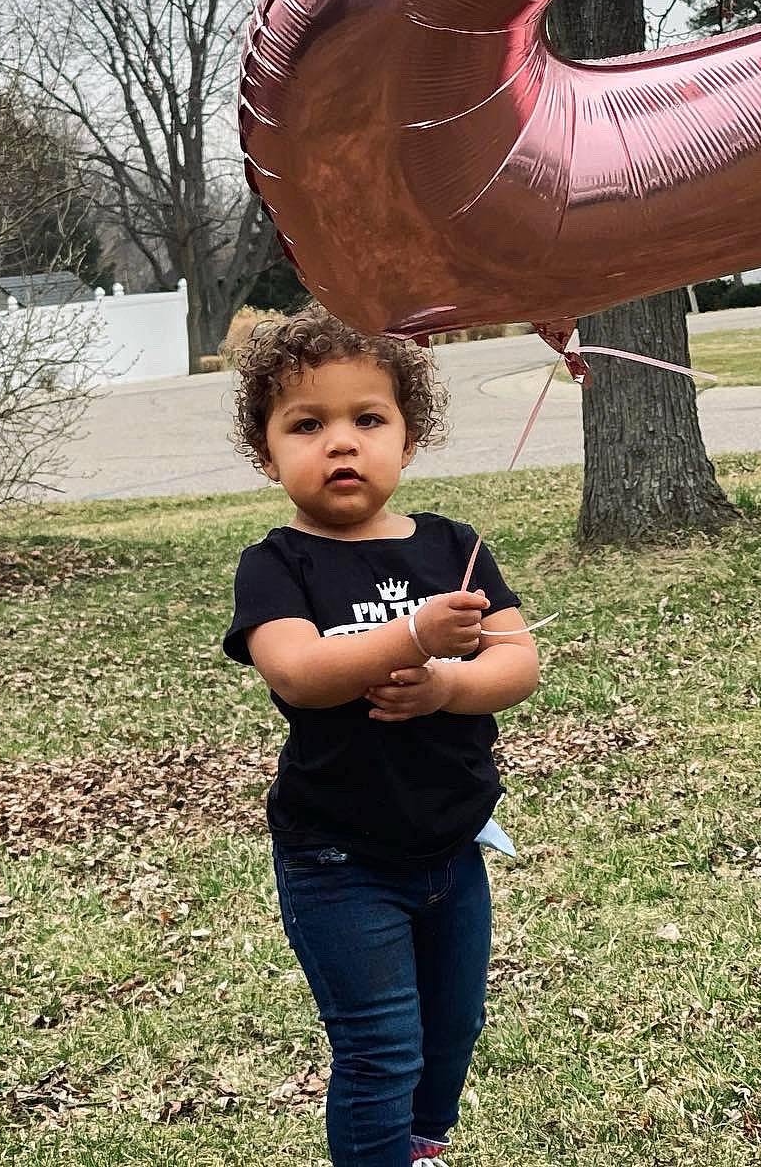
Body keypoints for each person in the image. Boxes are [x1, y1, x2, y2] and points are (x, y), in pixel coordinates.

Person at [224, 304, 542, 1167]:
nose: (341, 443)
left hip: (451, 847)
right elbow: (296, 670)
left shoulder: (453, 547)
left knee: (451, 1033)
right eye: (307, 424)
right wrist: (410, 639)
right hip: (340, 858)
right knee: (380, 1049)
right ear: (267, 451)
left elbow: (518, 667)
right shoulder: (278, 565)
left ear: (409, 436)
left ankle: (420, 1151)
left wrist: (446, 685)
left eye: (369, 419)